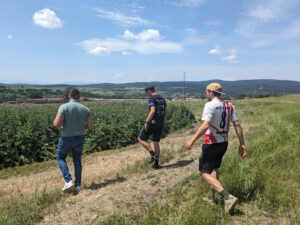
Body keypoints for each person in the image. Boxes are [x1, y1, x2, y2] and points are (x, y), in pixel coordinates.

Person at [185, 83, 246, 213]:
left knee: (204, 172)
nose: (206, 94)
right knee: (215, 168)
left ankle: (227, 197)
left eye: (206, 92)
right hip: (223, 143)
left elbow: (205, 125)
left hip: (211, 143)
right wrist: (242, 144)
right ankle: (211, 197)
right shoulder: (230, 105)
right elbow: (237, 124)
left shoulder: (210, 105)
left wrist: (191, 140)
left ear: (211, 92)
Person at [53, 88, 93, 194]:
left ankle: (68, 180)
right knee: (77, 160)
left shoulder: (63, 107)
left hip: (66, 137)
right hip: (80, 137)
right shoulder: (86, 109)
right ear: (78, 97)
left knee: (60, 157)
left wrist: (62, 125)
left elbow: (56, 124)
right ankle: (78, 185)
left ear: (69, 96)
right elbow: (90, 126)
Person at [138, 86, 167, 169]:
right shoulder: (162, 98)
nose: (146, 94)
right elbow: (166, 111)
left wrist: (147, 122)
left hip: (152, 123)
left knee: (140, 138)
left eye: (146, 92)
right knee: (156, 143)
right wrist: (163, 121)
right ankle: (156, 164)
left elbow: (153, 110)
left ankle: (152, 154)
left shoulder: (152, 98)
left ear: (150, 91)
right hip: (159, 124)